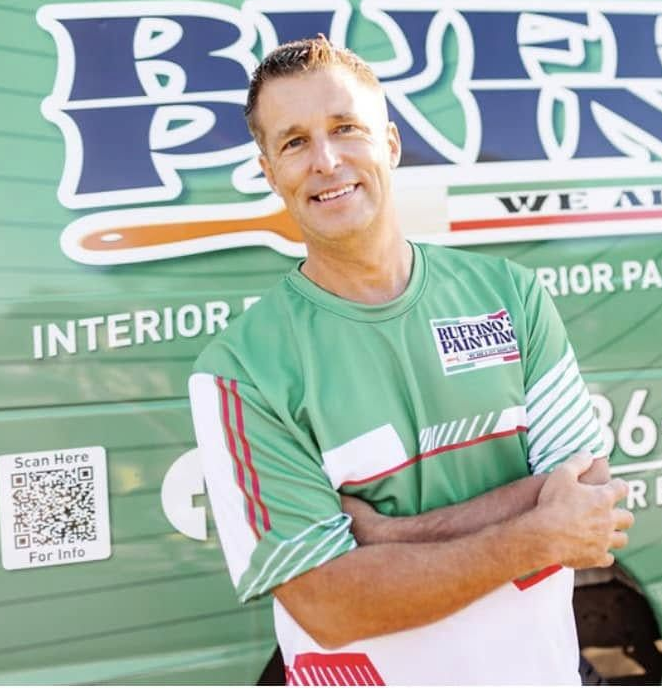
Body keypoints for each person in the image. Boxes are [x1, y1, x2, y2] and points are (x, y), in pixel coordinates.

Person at [187, 36, 633, 686]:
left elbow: (590, 498)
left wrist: (388, 537)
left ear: (390, 144)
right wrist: (538, 532)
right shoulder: (241, 369)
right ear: (269, 172)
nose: (327, 160)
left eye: (346, 129)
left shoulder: (510, 295)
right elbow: (330, 604)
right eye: (294, 142)